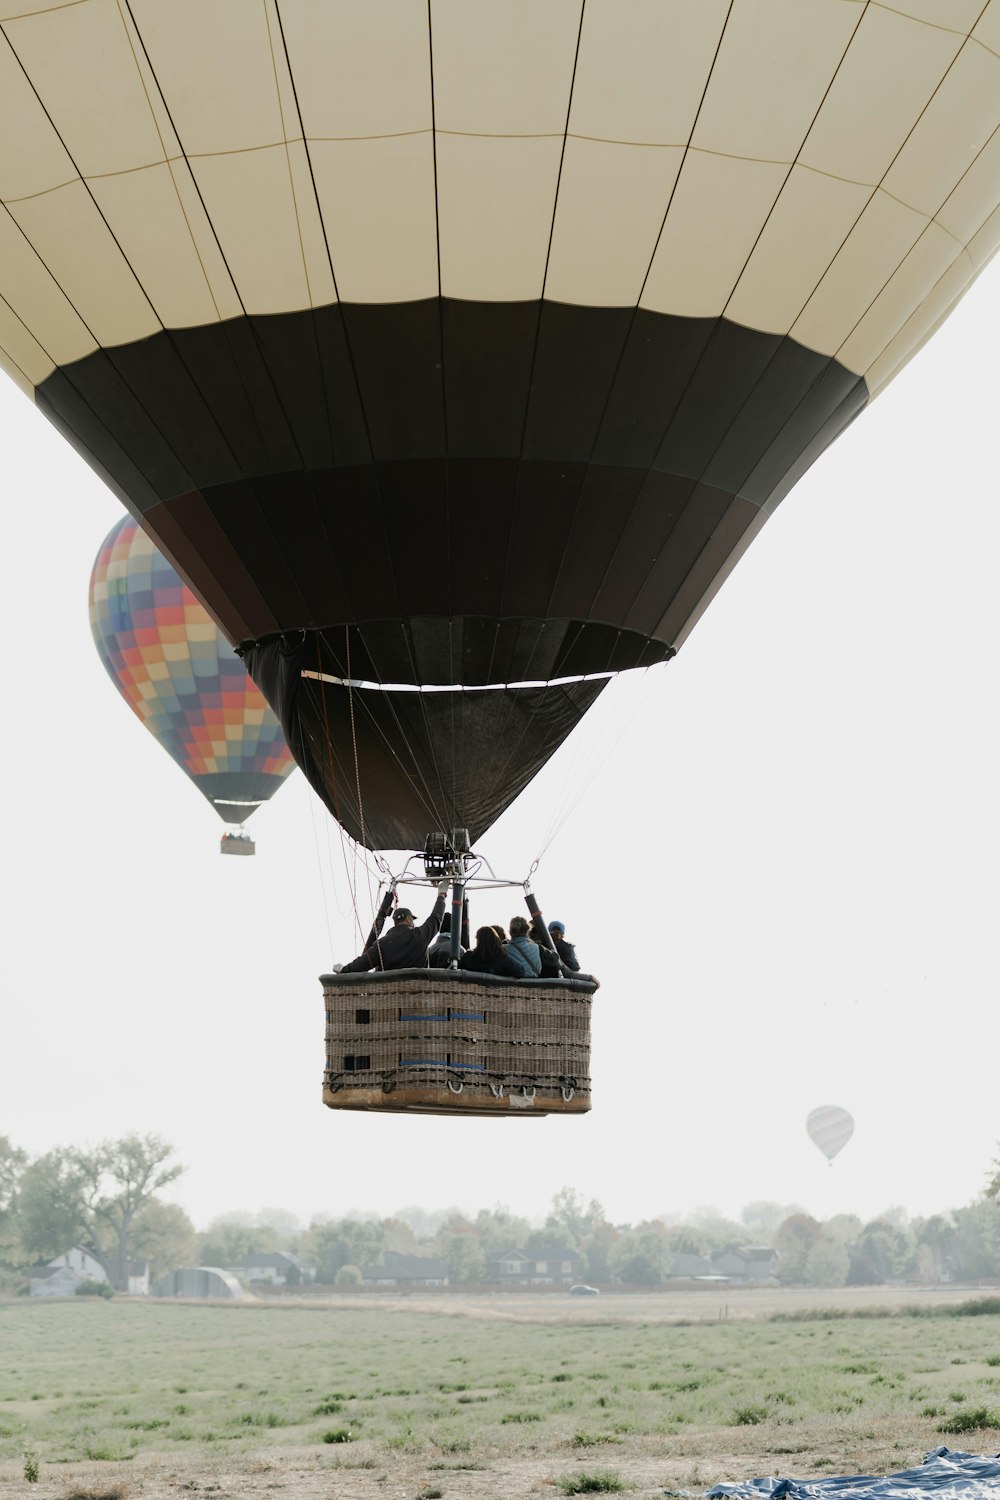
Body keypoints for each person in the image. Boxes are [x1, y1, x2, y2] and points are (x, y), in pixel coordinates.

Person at [340, 884, 448, 972]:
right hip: (419, 994)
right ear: (409, 919)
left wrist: (344, 970)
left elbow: (362, 963)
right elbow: (436, 918)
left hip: (391, 995)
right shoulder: (420, 935)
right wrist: (441, 895)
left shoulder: (382, 944)